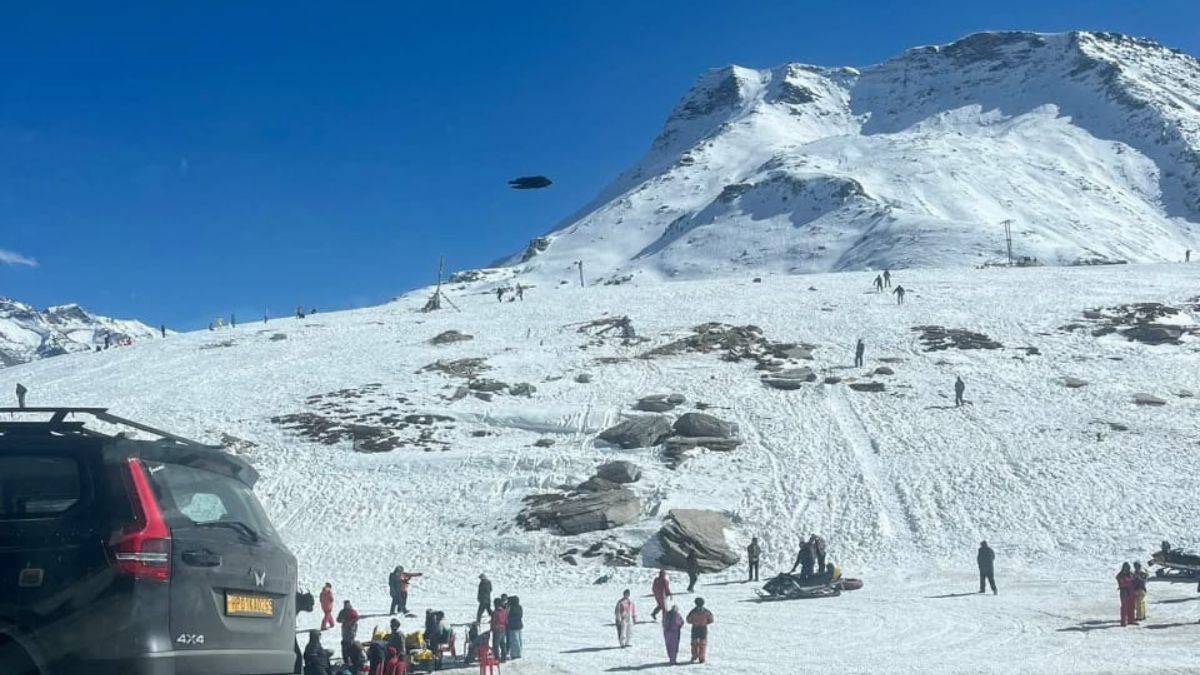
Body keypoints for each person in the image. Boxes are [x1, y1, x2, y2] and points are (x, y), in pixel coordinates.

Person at [686, 597, 714, 664]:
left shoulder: (693, 611)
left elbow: (688, 619)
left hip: (695, 628)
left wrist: (694, 622)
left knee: (694, 643)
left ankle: (694, 656)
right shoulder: (706, 611)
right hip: (703, 628)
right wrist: (705, 622)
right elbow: (711, 619)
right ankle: (701, 658)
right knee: (703, 644)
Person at [1117, 562, 1138, 626]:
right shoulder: (1120, 575)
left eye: (1128, 568)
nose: (1127, 569)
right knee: (1124, 607)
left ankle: (1131, 620)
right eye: (1126, 568)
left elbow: (1135, 579)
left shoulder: (1131, 574)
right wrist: (1131, 580)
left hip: (1132, 591)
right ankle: (1123, 621)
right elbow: (1123, 582)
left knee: (1132, 606)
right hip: (1124, 592)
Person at [506, 595, 523, 660]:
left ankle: (515, 654)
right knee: (519, 640)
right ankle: (518, 653)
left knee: (514, 640)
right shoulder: (519, 607)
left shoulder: (511, 608)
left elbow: (507, 615)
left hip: (513, 626)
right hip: (519, 625)